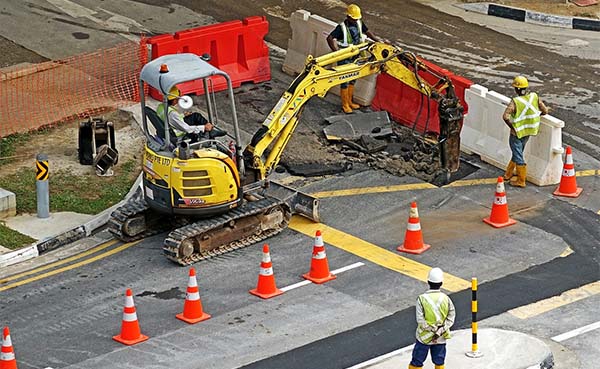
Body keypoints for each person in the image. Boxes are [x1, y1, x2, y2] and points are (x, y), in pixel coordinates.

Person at [326, 4, 379, 114]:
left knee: (353, 79)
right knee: (345, 80)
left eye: (357, 19)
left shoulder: (359, 23)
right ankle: (345, 104)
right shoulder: (342, 28)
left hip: (356, 56)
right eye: (354, 19)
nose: (356, 21)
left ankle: (350, 101)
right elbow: (330, 38)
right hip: (345, 58)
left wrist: (377, 41)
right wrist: (336, 52)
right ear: (348, 17)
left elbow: (367, 32)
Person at [502, 75, 549, 187]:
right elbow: (545, 111)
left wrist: (512, 127)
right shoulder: (534, 97)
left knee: (518, 155)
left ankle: (521, 180)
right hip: (529, 130)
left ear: (516, 89)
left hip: (517, 133)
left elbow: (505, 116)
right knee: (518, 152)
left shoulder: (515, 102)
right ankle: (508, 173)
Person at [408, 267, 455, 369]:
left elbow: (420, 320)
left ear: (428, 281)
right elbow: (451, 317)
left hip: (424, 337)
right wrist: (440, 330)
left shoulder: (422, 299)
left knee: (417, 361)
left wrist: (432, 329)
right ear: (441, 283)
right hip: (440, 337)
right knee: (439, 361)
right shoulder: (446, 299)